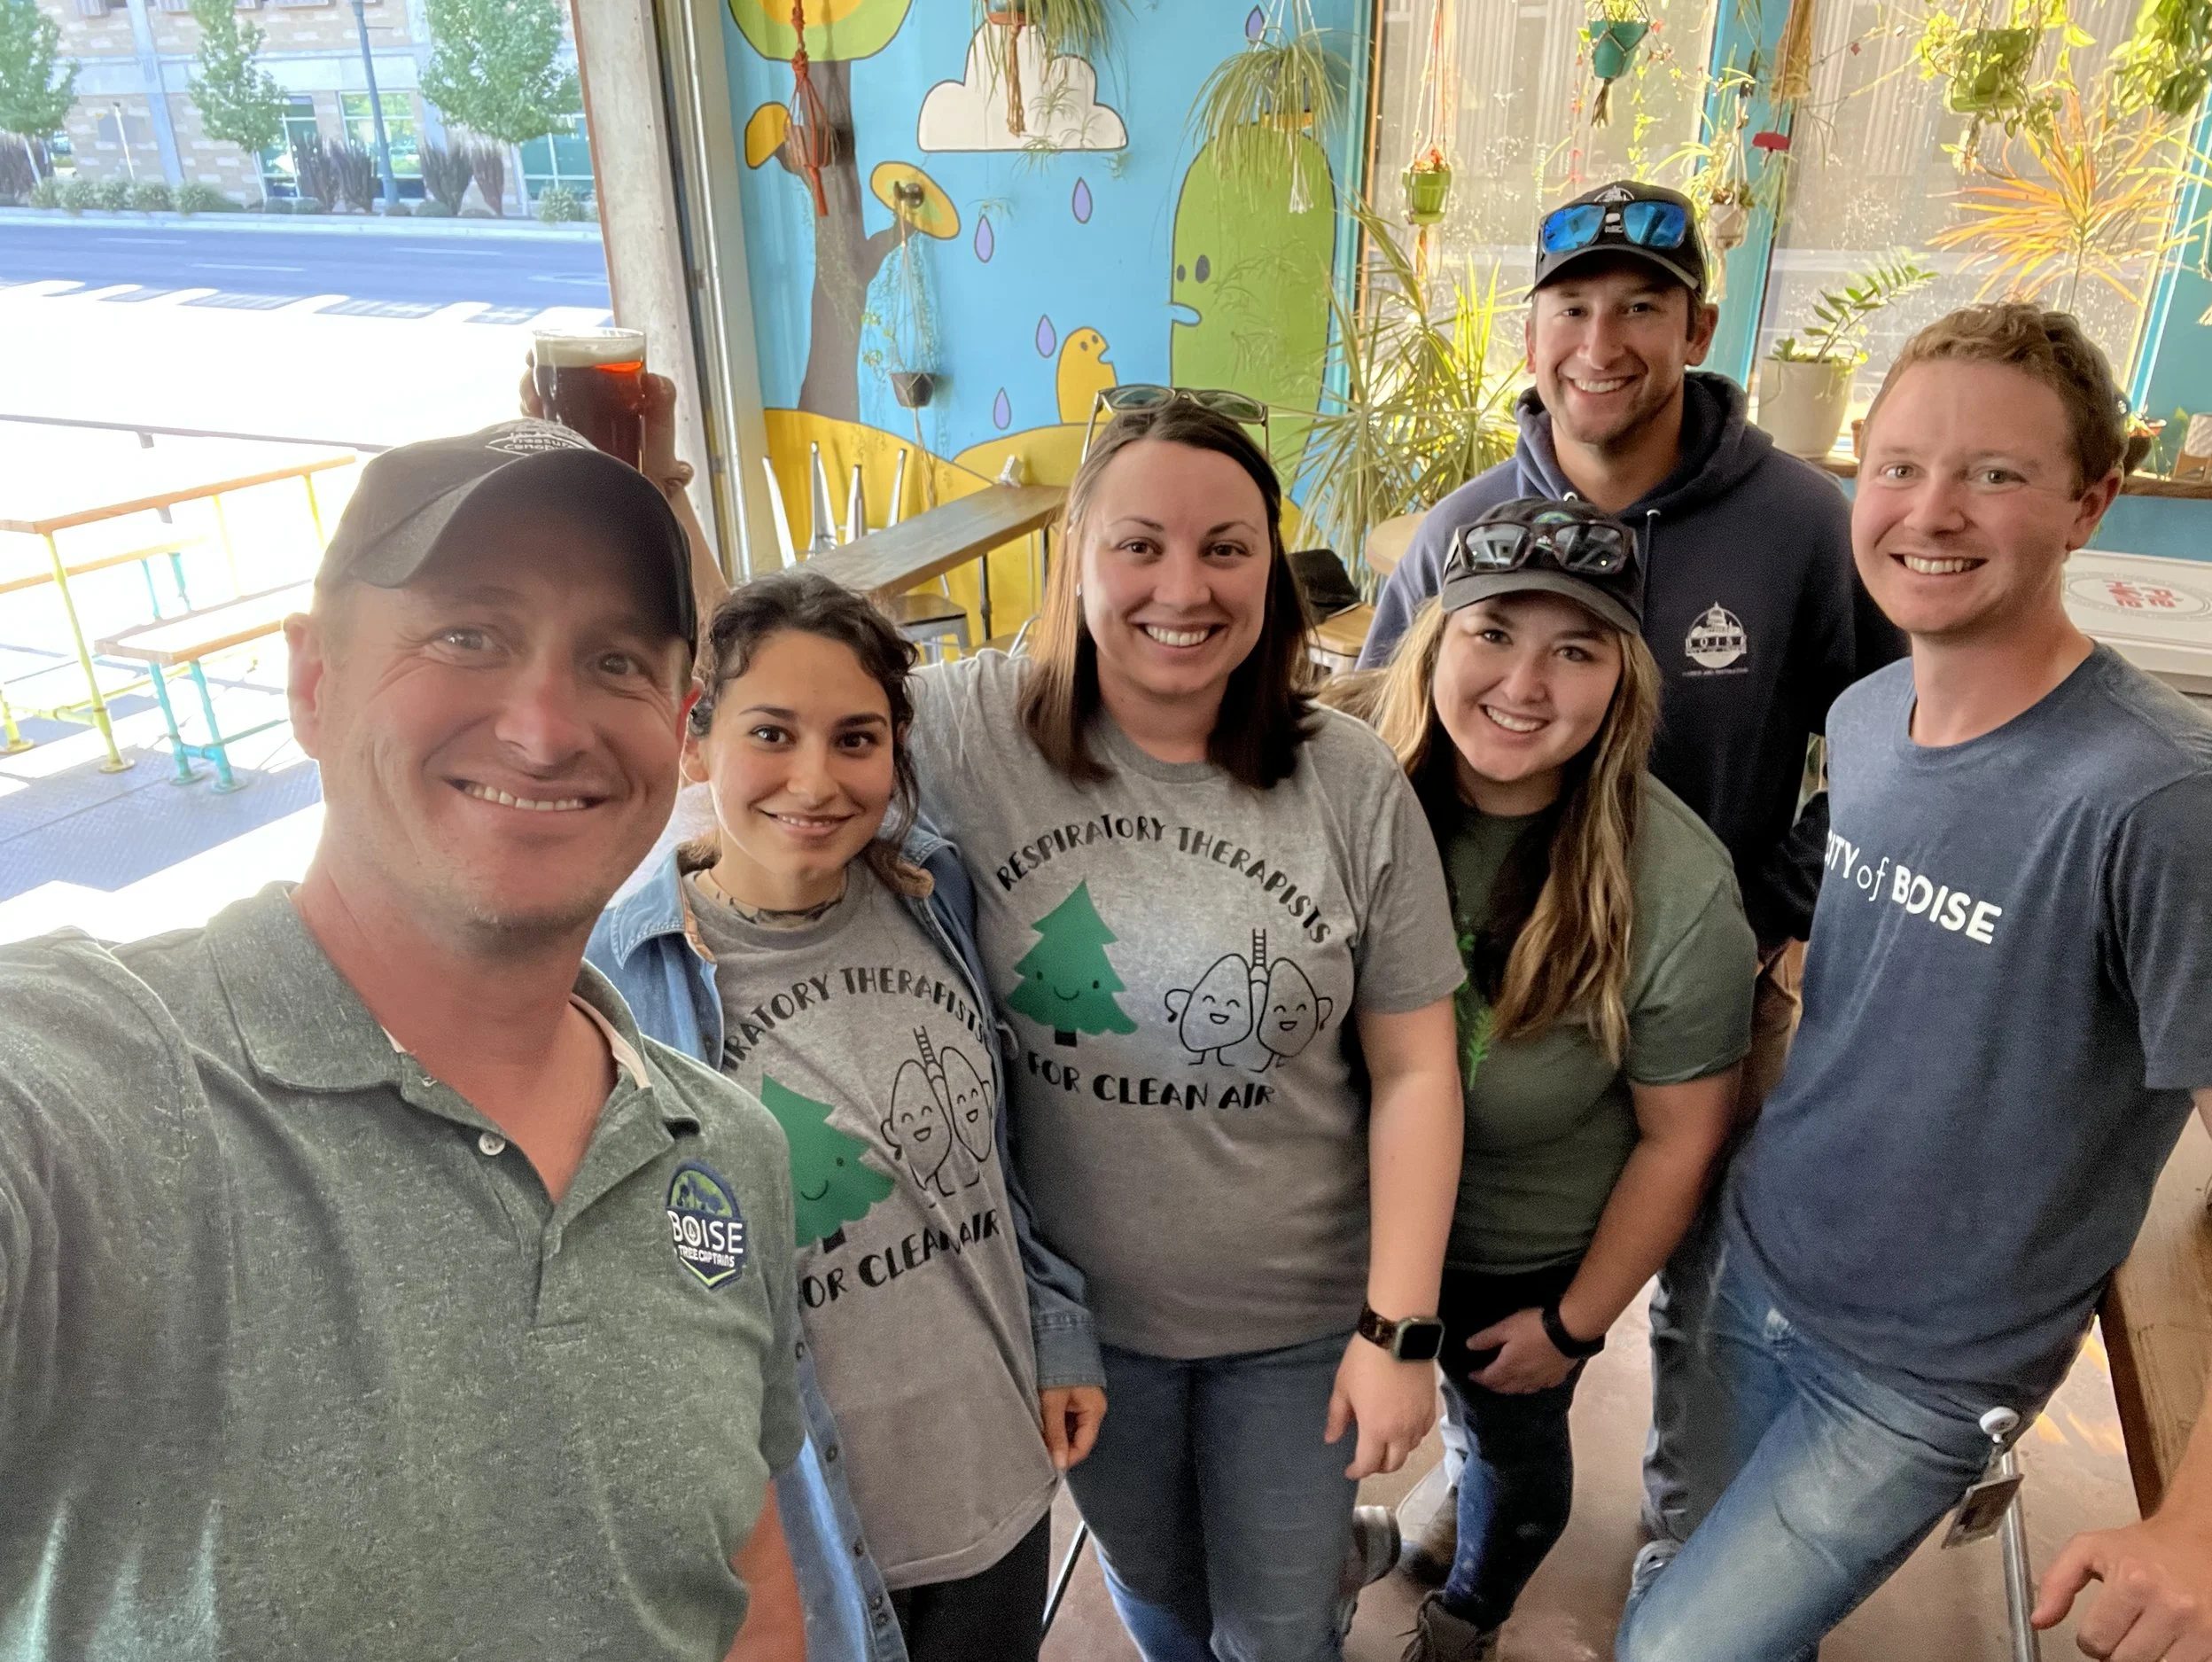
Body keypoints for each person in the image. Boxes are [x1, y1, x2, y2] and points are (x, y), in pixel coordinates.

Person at [0, 420, 807, 1660]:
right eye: (467, 635)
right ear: (314, 680)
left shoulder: (728, 1148)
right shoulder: (116, 1084)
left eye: (615, 661)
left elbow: (742, 1565)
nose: (545, 727)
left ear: (678, 725)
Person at [1616, 304, 2212, 1661]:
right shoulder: (1869, 715)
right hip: (1749, 1251)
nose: (1930, 511)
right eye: (1897, 466)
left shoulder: (2157, 798)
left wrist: (2201, 1520)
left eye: (1996, 473)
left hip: (1921, 1365)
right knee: (1681, 1551)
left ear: (2091, 500)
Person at [1356, 178, 1901, 1572]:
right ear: (1529, 334)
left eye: (1642, 308)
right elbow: (1372, 742)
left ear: (1699, 326)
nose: (1604, 340)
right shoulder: (1457, 531)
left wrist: (1772, 903)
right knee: (1466, 1258)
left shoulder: (1797, 522)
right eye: (1574, 306)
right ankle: (1485, 1472)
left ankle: (1682, 1538)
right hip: (1466, 974)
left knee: (1694, 1297)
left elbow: (1890, 738)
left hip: (1694, 973)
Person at [904, 396, 1468, 1661]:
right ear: (1076, 559)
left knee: (1275, 1633)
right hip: (1078, 1329)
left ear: (1271, 568)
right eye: (1139, 544)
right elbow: (761, 697)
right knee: (1157, 1592)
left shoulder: (1348, 778)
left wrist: (1398, 1329)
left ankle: (1327, 1560)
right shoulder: (962, 730)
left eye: (1226, 547)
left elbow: (1418, 1065)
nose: (1184, 586)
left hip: (1300, 1320)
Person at [589, 569, 1107, 1662]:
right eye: (770, 733)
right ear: (697, 740)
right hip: (811, 1526)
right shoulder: (625, 981)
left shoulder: (938, 899)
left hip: (993, 1469)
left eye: (856, 739)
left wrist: (1057, 1331)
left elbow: (1000, 1162)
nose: (815, 781)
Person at [1357, 500, 1752, 1661]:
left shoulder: (1673, 885)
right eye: (1493, 632)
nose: (1524, 681)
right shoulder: (1351, 796)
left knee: (1514, 1453)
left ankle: (1470, 1609)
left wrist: (1574, 1325)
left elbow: (1682, 1137)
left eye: (1574, 648)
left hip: (1519, 1255)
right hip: (1348, 1227)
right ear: (1434, 642)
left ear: (1622, 681)